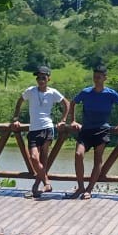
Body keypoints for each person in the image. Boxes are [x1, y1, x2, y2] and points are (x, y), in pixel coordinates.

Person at [68, 64, 118, 199]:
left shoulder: (110, 93)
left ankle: (89, 190)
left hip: (102, 130)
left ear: (105, 78)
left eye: (99, 77)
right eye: (95, 77)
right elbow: (73, 103)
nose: (96, 79)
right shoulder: (86, 92)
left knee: (98, 159)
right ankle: (81, 187)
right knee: (79, 154)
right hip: (86, 129)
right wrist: (72, 120)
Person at [11, 66, 71, 198]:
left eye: (43, 77)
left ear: (48, 78)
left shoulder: (53, 92)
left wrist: (63, 120)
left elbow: (67, 104)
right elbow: (20, 101)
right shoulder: (30, 91)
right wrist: (16, 118)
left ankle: (36, 187)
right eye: (38, 77)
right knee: (34, 158)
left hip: (47, 128)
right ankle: (47, 183)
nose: (41, 80)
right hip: (33, 129)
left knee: (43, 160)